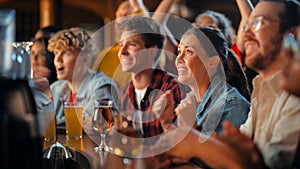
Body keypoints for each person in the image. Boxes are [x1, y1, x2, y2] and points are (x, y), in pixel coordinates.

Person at [156, 0, 300, 168]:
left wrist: (192, 135)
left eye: (258, 22)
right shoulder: (262, 92)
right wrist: (170, 125)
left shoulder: (235, 104)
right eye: (247, 25)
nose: (246, 32)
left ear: (292, 35)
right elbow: (231, 156)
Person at [154, 27, 250, 134]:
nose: (179, 58)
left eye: (189, 52)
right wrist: (166, 122)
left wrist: (191, 125)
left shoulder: (232, 105)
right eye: (179, 51)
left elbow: (219, 150)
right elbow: (182, 148)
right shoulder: (190, 99)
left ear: (213, 62)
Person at [116, 16, 186, 138]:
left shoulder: (173, 88)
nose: (122, 52)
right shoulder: (124, 92)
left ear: (152, 51)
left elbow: (177, 141)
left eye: (132, 44)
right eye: (121, 44)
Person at [47, 27, 119, 126]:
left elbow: (90, 121)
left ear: (85, 59)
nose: (57, 59)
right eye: (56, 53)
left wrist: (49, 122)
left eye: (66, 53)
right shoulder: (55, 88)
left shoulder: (101, 86)